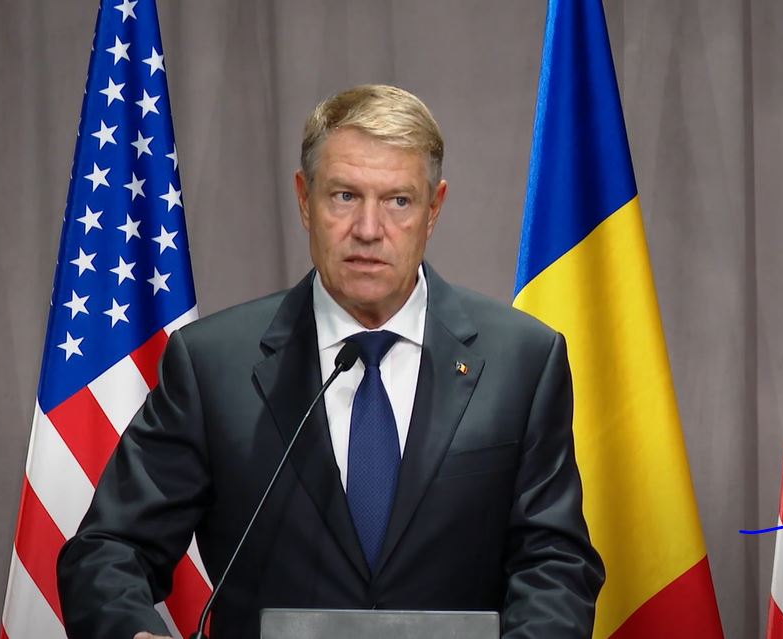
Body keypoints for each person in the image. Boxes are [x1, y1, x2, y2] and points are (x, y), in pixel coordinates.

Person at [57, 84, 604, 639]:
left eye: (398, 201)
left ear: (433, 209)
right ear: (304, 199)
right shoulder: (212, 366)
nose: (368, 229)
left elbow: (555, 563)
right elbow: (108, 548)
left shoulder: (522, 361)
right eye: (344, 196)